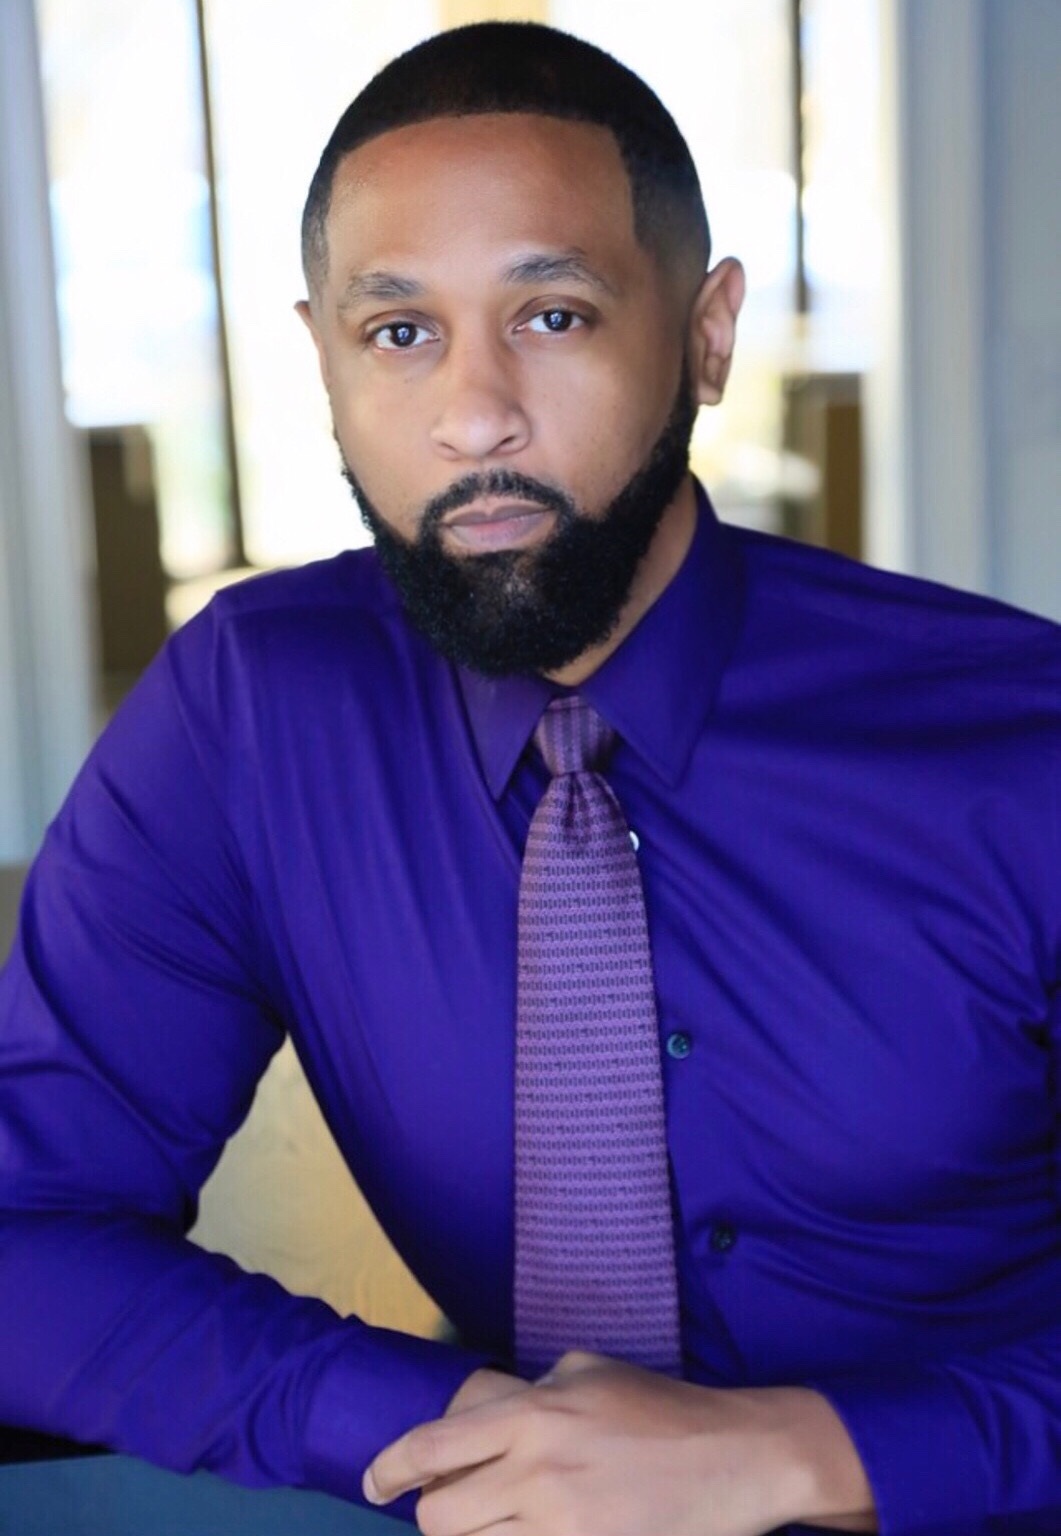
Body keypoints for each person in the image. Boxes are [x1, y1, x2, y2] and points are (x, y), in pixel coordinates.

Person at [0, 19, 1058, 1536]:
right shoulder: (248, 711)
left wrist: (798, 1457)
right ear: (322, 360)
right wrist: (455, 1432)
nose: (472, 414)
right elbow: (23, 1230)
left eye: (552, 316)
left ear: (705, 335)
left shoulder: (1024, 736)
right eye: (399, 332)